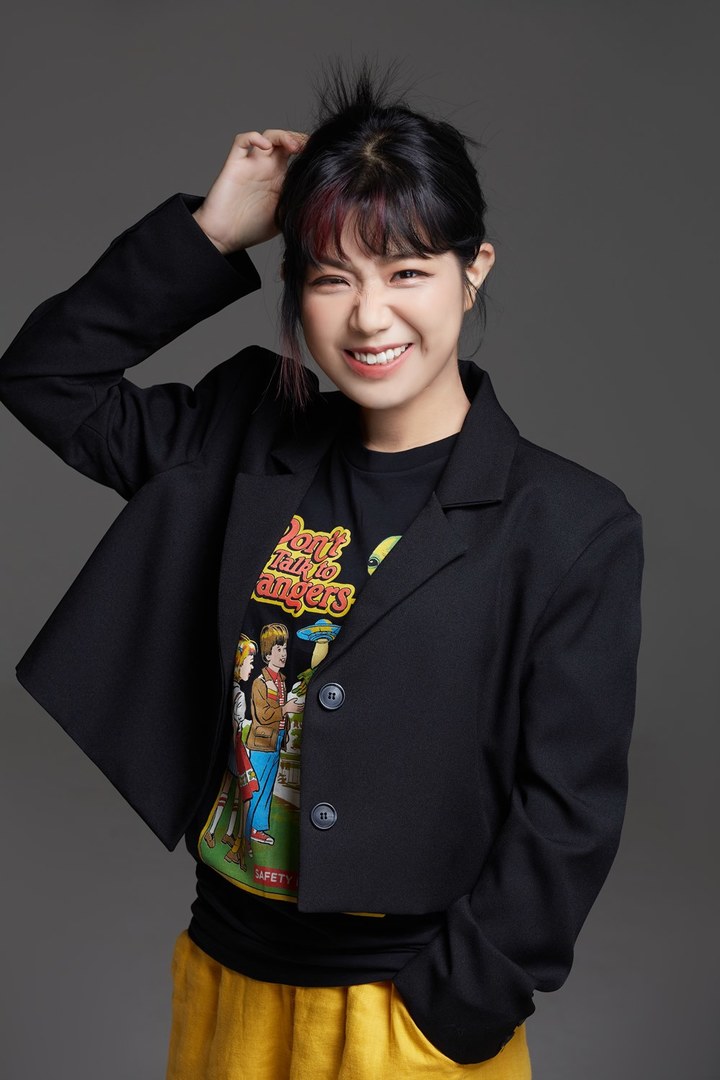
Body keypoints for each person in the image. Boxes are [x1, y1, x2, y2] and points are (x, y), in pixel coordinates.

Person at [0, 58, 644, 1078]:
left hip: (407, 1015)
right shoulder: (238, 434)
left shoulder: (567, 524)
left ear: (475, 268)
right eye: (331, 277)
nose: (369, 317)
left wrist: (454, 1013)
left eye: (407, 272)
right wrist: (213, 232)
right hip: (226, 979)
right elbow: (47, 377)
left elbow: (570, 808)